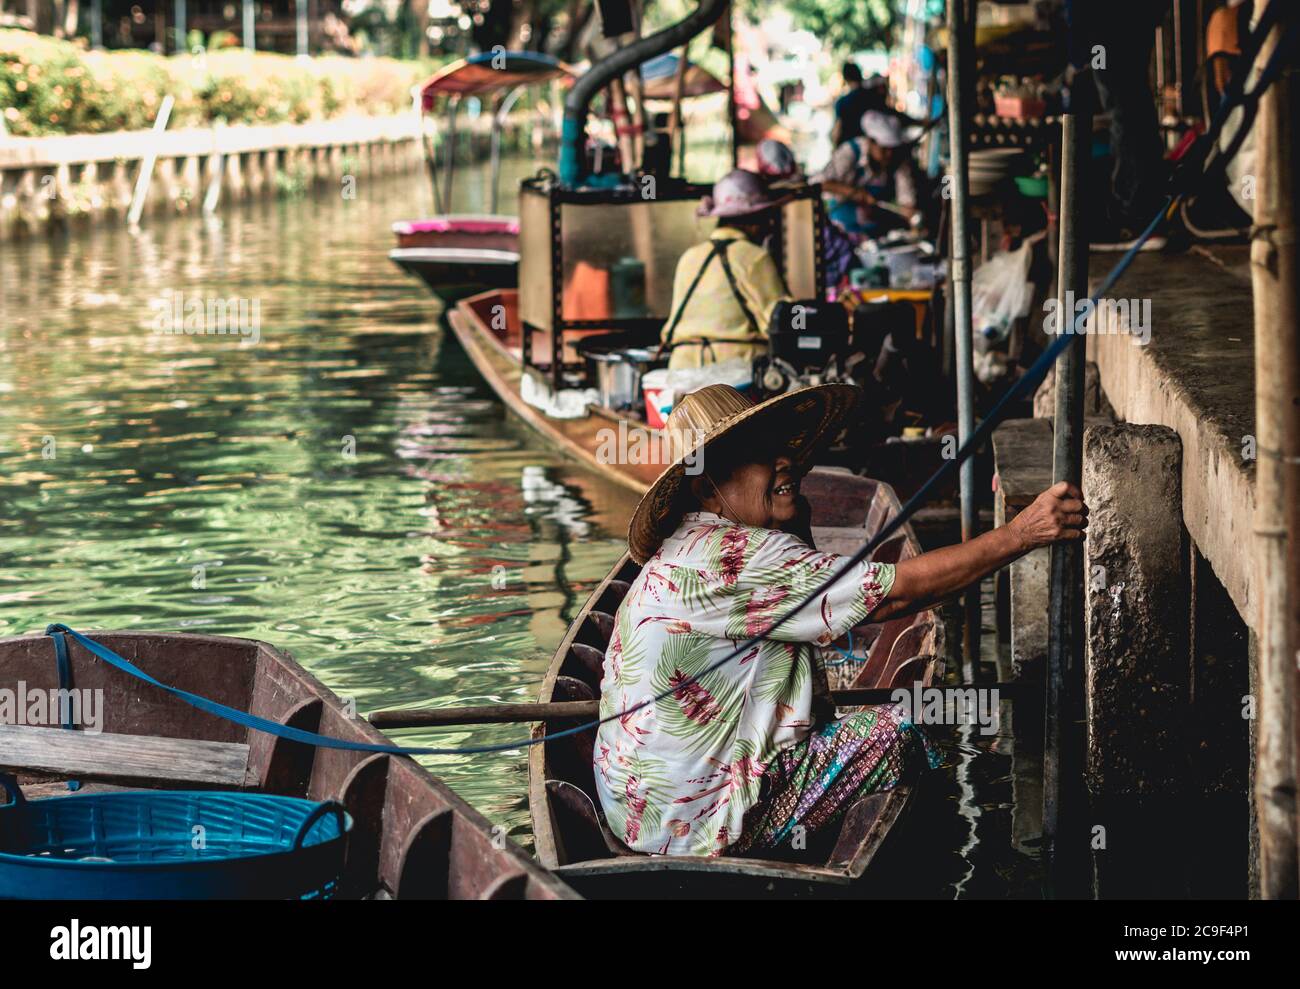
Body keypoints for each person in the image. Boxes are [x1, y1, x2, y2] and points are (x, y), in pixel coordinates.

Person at [594, 383, 1089, 856]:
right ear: (706, 490)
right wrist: (1020, 534)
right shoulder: (739, 554)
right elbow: (896, 597)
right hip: (701, 824)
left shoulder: (685, 545)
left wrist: (794, 518)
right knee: (909, 726)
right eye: (760, 455)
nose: (784, 461)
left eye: (779, 448)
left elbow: (811, 600)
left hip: (633, 814)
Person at [660, 170, 791, 370]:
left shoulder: (689, 257)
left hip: (682, 368)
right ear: (754, 219)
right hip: (733, 372)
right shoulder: (754, 257)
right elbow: (778, 321)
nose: (769, 226)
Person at [815, 110, 923, 236]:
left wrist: (911, 215)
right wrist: (853, 193)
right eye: (884, 149)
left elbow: (906, 196)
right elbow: (820, 183)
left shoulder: (897, 159)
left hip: (874, 227)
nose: (889, 154)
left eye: (892, 149)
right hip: (842, 224)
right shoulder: (850, 152)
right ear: (870, 142)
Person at [831, 63, 886, 146]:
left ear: (846, 78)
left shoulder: (842, 102)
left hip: (851, 147)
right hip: (873, 147)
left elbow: (837, 132)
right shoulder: (874, 97)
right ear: (859, 75)